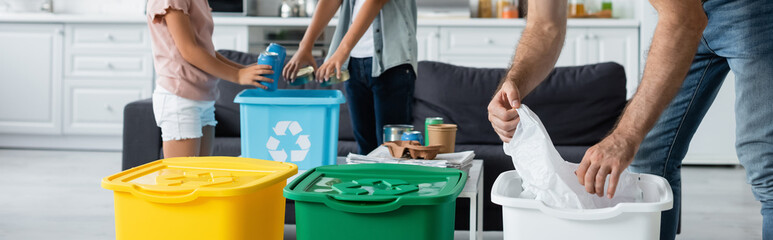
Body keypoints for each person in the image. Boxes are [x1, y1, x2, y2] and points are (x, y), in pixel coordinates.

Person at [487, 0, 773, 239]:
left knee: (766, 163)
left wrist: (624, 137)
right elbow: (545, 25)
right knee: (649, 154)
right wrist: (514, 82)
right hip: (686, 12)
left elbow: (684, 21)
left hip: (752, 8)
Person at [283, 0, 417, 154]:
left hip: (392, 63)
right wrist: (305, 46)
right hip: (354, 63)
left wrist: (341, 52)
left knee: (393, 153)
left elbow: (375, 1)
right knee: (365, 153)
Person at [147, 0, 274, 158]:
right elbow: (189, 50)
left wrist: (243, 69)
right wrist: (238, 75)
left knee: (201, 177)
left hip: (203, 98)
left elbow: (206, 51)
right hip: (180, 98)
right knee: (183, 178)